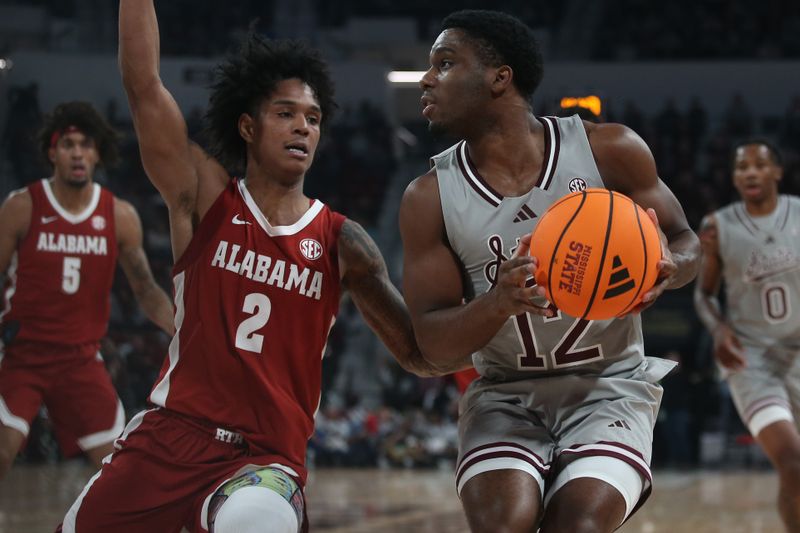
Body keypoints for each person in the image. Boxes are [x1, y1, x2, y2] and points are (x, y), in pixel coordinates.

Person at [59, 2, 464, 532]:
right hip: (168, 438)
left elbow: (417, 354)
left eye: (313, 119)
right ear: (248, 126)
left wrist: (494, 310)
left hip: (262, 460)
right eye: (286, 113)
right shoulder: (205, 197)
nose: (302, 127)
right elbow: (143, 85)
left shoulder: (344, 242)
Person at [399, 10, 700, 533]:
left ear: (500, 77)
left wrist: (668, 268)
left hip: (610, 385)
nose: (427, 79)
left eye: (445, 64)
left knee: (578, 524)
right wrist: (498, 301)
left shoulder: (609, 150)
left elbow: (686, 242)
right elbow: (433, 346)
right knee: (504, 524)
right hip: (505, 395)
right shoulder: (429, 197)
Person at [0, 101, 174, 477]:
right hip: (21, 355)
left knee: (118, 472)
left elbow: (145, 289)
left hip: (80, 360)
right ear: (53, 152)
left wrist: (183, 329)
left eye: (86, 145)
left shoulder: (120, 215)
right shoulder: (22, 206)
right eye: (68, 144)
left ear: (98, 153)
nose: (77, 152)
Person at [694, 139, 800, 532]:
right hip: (751, 358)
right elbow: (704, 295)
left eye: (759, 165)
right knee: (792, 460)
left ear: (777, 172)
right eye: (742, 167)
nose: (750, 172)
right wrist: (719, 328)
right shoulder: (716, 226)